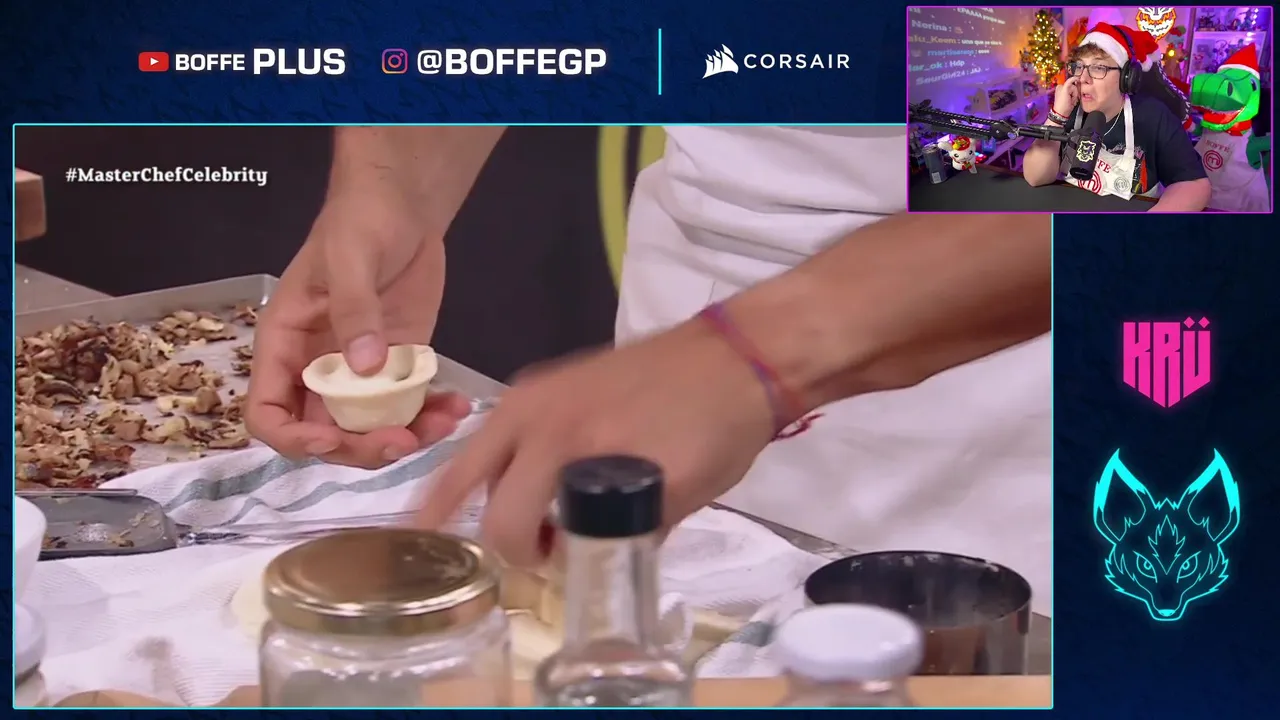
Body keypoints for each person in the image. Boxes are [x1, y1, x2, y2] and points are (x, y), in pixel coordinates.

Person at [245, 126, 1054, 617]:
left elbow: (1098, 141)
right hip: (691, 329)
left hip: (999, 404)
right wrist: (393, 188)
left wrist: (755, 353)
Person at [1023, 23, 1210, 212]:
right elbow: (1035, 177)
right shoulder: (1068, 110)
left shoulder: (1154, 115)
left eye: (1098, 67)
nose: (1083, 78)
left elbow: (1194, 185)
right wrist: (1057, 116)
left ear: (1126, 77)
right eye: (1079, 66)